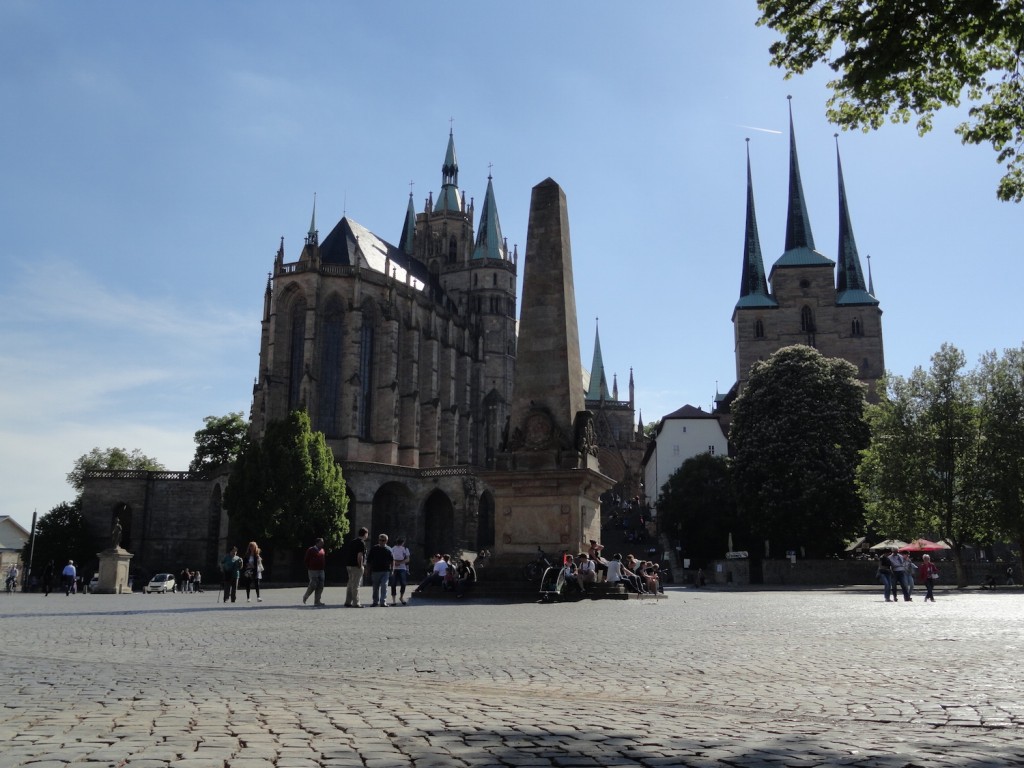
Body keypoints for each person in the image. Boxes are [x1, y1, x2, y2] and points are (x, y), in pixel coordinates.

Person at [340, 528, 368, 608]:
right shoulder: (361, 543)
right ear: (365, 534)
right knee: (356, 585)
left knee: (350, 584)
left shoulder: (353, 541)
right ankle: (356, 602)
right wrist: (360, 565)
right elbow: (360, 555)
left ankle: (348, 601)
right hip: (356, 566)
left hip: (349, 565)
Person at [367, 533, 394, 607]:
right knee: (375, 587)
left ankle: (383, 602)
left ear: (386, 541)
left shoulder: (389, 549)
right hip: (375, 571)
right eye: (380, 540)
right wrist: (367, 570)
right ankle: (375, 601)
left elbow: (392, 560)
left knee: (384, 586)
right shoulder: (374, 549)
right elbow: (369, 560)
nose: (381, 541)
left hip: (385, 571)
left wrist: (392, 570)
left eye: (383, 540)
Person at [302, 537, 327, 607]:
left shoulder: (322, 550)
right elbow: (306, 559)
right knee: (313, 584)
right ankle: (305, 596)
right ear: (317, 543)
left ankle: (317, 601)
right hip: (313, 570)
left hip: (321, 570)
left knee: (320, 586)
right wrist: (310, 567)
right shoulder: (311, 550)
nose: (323, 543)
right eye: (321, 542)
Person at [389, 536, 411, 606]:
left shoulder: (405, 549)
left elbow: (408, 559)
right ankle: (394, 600)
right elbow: (390, 559)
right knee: (393, 584)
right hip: (394, 568)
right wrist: (395, 563)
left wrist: (399, 563)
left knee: (403, 583)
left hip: (402, 568)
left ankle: (401, 597)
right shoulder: (392, 549)